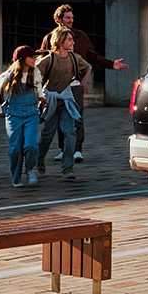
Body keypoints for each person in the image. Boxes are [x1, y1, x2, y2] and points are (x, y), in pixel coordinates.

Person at [39, 4, 129, 163]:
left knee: (76, 117)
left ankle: (77, 150)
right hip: (55, 86)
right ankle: (64, 149)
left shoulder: (80, 36)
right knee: (59, 119)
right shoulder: (49, 38)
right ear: (58, 19)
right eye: (67, 18)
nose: (71, 21)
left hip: (74, 85)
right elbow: (43, 61)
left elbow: (92, 57)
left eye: (72, 18)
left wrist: (111, 65)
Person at [35, 27, 91, 182]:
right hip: (51, 100)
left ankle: (67, 167)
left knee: (70, 132)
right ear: (60, 42)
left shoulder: (75, 58)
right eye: (69, 40)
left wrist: (84, 80)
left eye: (73, 39)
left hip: (66, 100)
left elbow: (88, 67)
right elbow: (35, 73)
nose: (73, 42)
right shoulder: (49, 59)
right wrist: (39, 95)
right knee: (47, 134)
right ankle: (39, 158)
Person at [0, 45, 46, 187]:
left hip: (31, 113)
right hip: (14, 115)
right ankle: (16, 176)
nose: (34, 59)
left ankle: (30, 168)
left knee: (31, 145)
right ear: (21, 59)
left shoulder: (36, 72)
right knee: (15, 148)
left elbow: (39, 88)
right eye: (31, 57)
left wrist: (41, 97)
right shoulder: (9, 75)